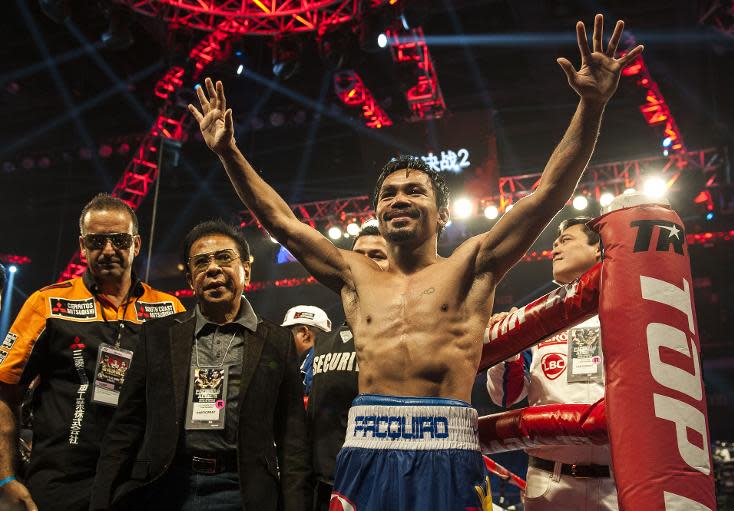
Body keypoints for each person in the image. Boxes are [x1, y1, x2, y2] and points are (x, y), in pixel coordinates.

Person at [189, 15, 642, 510]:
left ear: (443, 212)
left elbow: (548, 195)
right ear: (377, 212)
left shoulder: (473, 263)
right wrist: (228, 150)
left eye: (413, 191)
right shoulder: (354, 274)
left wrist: (591, 105)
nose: (398, 199)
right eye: (388, 194)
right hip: (366, 449)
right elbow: (280, 221)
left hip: (445, 449)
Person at [91, 220, 310, 511]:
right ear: (191, 280)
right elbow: (126, 426)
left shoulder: (278, 341)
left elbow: (292, 438)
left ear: (246, 269)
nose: (213, 268)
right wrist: (102, 500)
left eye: (224, 258)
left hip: (243, 492)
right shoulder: (157, 335)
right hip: (166, 488)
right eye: (202, 262)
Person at [0, 194, 184, 511]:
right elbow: (5, 390)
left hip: (139, 479)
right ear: (83, 246)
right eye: (97, 241)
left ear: (136, 245)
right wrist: (6, 477)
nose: (109, 250)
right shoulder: (47, 304)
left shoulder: (170, 309)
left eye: (119, 240)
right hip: (62, 479)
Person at [486, 217, 613, 510]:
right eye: (555, 241)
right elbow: (505, 396)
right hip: (547, 479)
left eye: (566, 240)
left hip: (613, 481)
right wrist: (508, 344)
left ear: (598, 250)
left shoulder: (620, 307)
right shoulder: (536, 319)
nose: (555, 246)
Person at [304, 223, 389, 511]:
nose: (362, 263)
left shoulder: (414, 336)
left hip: (383, 488)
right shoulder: (323, 343)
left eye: (376, 255)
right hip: (324, 488)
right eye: (357, 255)